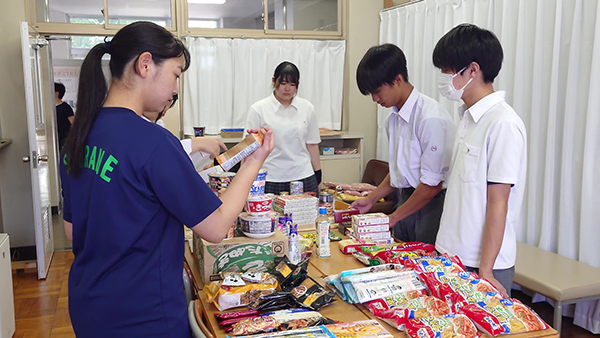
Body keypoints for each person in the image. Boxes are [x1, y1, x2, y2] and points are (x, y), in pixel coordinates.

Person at [60, 21, 274, 337]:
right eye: (175, 75)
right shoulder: (153, 141)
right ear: (145, 64)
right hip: (144, 316)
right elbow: (216, 227)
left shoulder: (79, 138)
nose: (175, 89)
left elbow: (71, 230)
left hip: (88, 306)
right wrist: (253, 162)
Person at [432, 24, 527, 297]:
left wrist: (485, 270)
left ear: (473, 70)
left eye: (448, 71)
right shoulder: (467, 117)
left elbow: (499, 201)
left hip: (481, 264)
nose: (443, 78)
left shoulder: (503, 123)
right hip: (451, 255)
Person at [351, 44, 455, 245]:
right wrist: (371, 199)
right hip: (406, 199)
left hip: (431, 204)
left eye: (377, 91)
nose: (374, 99)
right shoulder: (394, 119)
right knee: (401, 262)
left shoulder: (431, 118)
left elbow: (431, 186)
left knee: (425, 265)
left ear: (397, 80)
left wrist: (393, 217)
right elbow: (400, 170)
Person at [245, 61, 321, 195]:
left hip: (303, 176)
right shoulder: (258, 109)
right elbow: (248, 149)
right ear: (274, 81)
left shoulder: (307, 108)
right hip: (270, 177)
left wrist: (318, 175)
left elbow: (312, 145)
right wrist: (244, 180)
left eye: (292, 84)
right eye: (283, 83)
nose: (288, 89)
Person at [142, 94, 226, 170]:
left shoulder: (157, 125)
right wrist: (195, 143)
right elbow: (158, 156)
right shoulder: (138, 128)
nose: (175, 89)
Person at [54, 82, 75, 150]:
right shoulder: (49, 109)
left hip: (63, 141)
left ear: (56, 93)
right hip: (54, 139)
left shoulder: (66, 107)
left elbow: (73, 123)